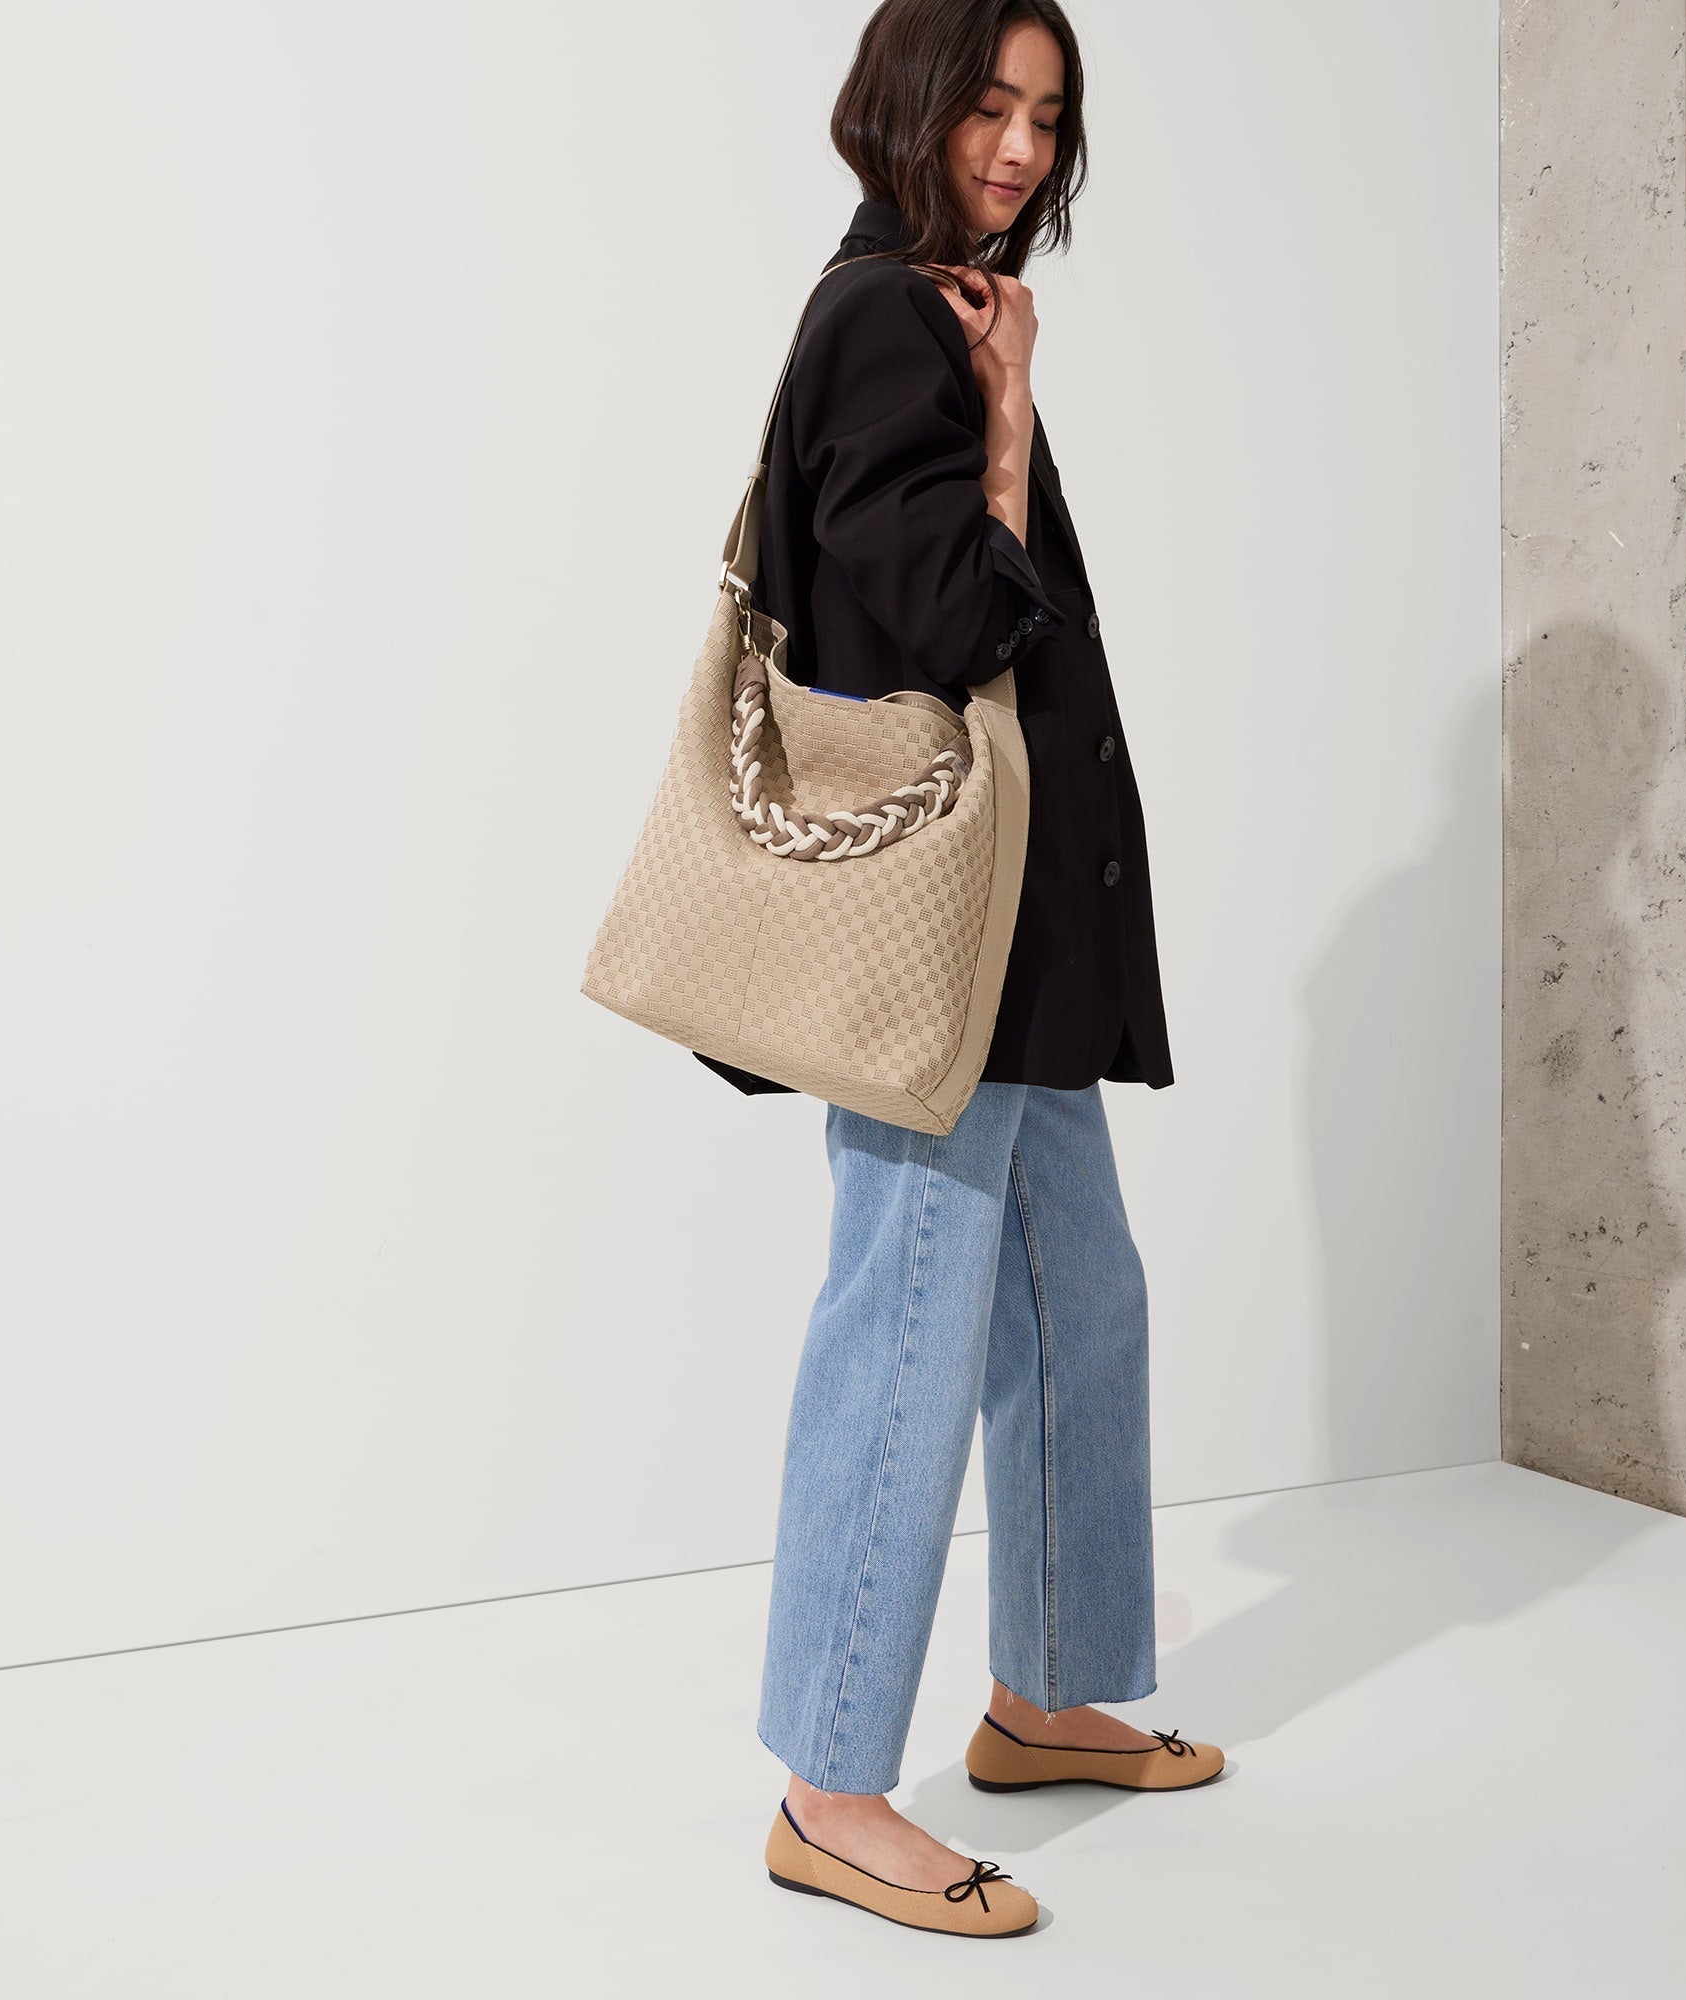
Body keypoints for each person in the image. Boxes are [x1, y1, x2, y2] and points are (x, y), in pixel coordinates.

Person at [709, 0, 1225, 1940]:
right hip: (946, 945)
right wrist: (1006, 427)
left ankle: (1038, 1693)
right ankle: (833, 1784)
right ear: (908, 105)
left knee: (1072, 1295)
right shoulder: (881, 324)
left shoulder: (942, 306)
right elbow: (928, 617)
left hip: (1023, 942)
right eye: (988, 105)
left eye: (1045, 115)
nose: (1016, 147)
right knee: (908, 1324)